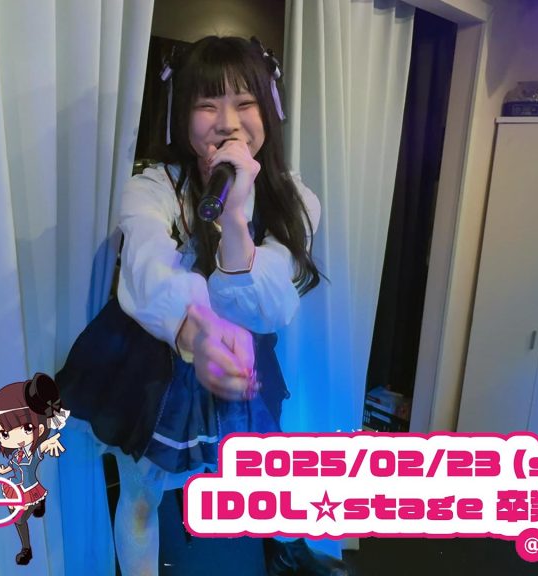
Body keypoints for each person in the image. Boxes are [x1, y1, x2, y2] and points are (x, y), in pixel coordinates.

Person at [58, 36, 345, 575]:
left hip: (236, 353)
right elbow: (146, 266)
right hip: (155, 356)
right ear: (181, 113)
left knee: (253, 470)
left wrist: (235, 217)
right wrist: (199, 333)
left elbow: (268, 305)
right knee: (142, 494)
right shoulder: (154, 187)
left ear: (270, 109)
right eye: (207, 104)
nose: (227, 123)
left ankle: (279, 548)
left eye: (245, 102)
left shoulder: (296, 199)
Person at [0, 373, 69, 565]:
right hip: (16, 487)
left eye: (26, 428)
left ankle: (27, 547)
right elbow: (14, 466)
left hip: (30, 490)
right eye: (4, 433)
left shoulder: (33, 451)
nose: (11, 438)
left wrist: (49, 443)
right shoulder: (17, 453)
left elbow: (42, 448)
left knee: (19, 518)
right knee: (14, 515)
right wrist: (4, 471)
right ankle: (27, 542)